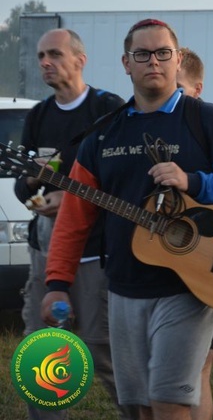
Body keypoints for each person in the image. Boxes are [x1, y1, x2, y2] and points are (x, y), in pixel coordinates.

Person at [41, 19, 213, 420]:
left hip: (189, 287)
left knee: (169, 400)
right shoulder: (103, 135)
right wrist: (57, 284)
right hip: (124, 288)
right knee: (140, 407)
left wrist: (192, 181)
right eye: (142, 54)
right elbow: (74, 218)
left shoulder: (207, 120)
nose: (154, 62)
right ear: (126, 63)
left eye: (163, 53)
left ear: (178, 60)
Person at [12, 28, 137, 420]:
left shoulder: (108, 107)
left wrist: (71, 200)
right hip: (44, 251)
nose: (45, 63)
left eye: (54, 54)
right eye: (40, 56)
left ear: (80, 60)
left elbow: (126, 180)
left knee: (100, 349)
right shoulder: (38, 115)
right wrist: (33, 184)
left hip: (94, 253)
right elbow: (22, 185)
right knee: (42, 356)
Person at [175, 46, 213, 420]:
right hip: (169, 260)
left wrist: (192, 182)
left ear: (198, 88)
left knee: (200, 366)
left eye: (179, 87)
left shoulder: (209, 124)